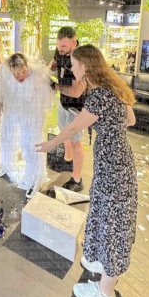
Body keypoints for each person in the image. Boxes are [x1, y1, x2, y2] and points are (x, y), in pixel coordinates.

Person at [36, 44, 136, 297]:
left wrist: (50, 144)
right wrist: (110, 127)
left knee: (112, 220)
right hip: (119, 159)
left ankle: (105, 294)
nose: (71, 68)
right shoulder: (115, 87)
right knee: (105, 211)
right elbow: (130, 120)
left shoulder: (98, 95)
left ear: (86, 66)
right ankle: (98, 260)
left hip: (112, 165)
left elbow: (74, 127)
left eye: (74, 64)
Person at [0, 53, 53, 198]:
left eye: (23, 72)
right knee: (7, 138)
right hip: (11, 109)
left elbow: (46, 98)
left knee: (31, 144)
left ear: (27, 65)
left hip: (31, 114)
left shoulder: (38, 74)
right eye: (16, 74)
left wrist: (39, 117)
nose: (20, 76)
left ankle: (35, 178)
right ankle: (6, 165)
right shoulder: (4, 69)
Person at [49, 26, 86, 192]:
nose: (60, 49)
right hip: (63, 102)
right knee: (64, 132)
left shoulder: (81, 60)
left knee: (76, 142)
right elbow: (53, 64)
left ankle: (77, 179)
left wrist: (55, 86)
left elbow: (76, 92)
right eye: (58, 46)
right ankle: (68, 159)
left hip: (76, 107)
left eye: (63, 46)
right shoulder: (60, 51)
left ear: (74, 43)